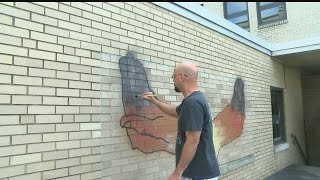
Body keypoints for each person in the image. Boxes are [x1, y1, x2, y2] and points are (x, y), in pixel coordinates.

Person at [143, 62, 220, 180]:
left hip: (199, 174)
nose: (173, 80)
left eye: (173, 76)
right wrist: (154, 101)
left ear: (181, 77)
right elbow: (175, 111)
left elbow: (193, 140)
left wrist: (177, 173)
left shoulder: (193, 103)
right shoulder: (193, 100)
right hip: (199, 171)